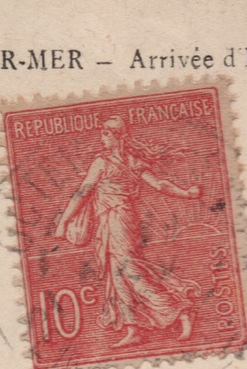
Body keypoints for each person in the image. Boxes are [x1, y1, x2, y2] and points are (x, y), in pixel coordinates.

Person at [52, 116, 201, 348]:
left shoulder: (103, 162)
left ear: (116, 136)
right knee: (117, 274)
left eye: (105, 134)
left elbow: (82, 193)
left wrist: (63, 222)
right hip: (116, 221)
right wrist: (186, 193)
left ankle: (179, 309)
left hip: (117, 220)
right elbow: (160, 184)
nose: (102, 138)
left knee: (128, 270)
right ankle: (133, 329)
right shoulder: (133, 162)